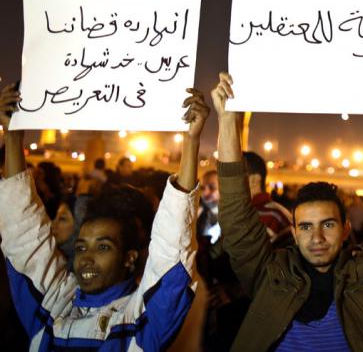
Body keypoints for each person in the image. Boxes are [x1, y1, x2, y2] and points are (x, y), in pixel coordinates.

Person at [211, 70, 363, 351]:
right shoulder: (269, 275)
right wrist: (226, 120)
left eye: (328, 225)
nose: (316, 237)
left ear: (345, 230)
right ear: (293, 233)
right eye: (306, 227)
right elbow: (236, 218)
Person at [0, 83, 208, 350]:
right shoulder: (54, 305)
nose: (87, 257)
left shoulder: (139, 321)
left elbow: (172, 251)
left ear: (129, 257)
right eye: (81, 246)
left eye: (103, 247)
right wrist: (14, 136)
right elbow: (24, 233)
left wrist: (190, 142)